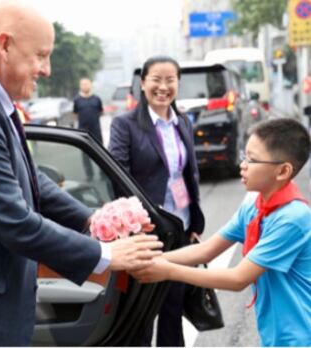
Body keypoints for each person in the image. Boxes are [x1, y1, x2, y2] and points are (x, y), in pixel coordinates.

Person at [0, 1, 163, 345]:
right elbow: (14, 221)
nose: (47, 69)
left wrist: (93, 222)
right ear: (4, 44)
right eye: (40, 55)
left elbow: (29, 177)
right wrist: (106, 255)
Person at [132, 118, 311, 347]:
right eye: (244, 155)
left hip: (300, 336)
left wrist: (166, 270)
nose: (242, 164)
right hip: (275, 335)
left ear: (283, 171)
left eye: (252, 160)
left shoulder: (292, 218)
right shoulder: (254, 204)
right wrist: (150, 259)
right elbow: (206, 251)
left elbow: (238, 279)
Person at [109, 56, 205, 347]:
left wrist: (192, 221)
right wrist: (140, 223)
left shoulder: (183, 122)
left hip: (180, 229)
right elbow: (118, 176)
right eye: (156, 80)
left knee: (173, 309)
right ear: (142, 83)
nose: (163, 87)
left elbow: (188, 174)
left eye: (170, 80)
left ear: (178, 83)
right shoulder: (124, 124)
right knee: (142, 313)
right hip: (146, 233)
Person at [73, 77, 104, 180]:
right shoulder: (77, 100)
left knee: (100, 152)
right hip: (83, 131)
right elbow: (75, 114)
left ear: (91, 85)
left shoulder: (97, 99)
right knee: (85, 154)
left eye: (87, 84)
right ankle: (89, 175)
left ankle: (103, 173)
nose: (85, 86)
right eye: (82, 84)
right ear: (80, 86)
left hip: (96, 130)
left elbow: (101, 112)